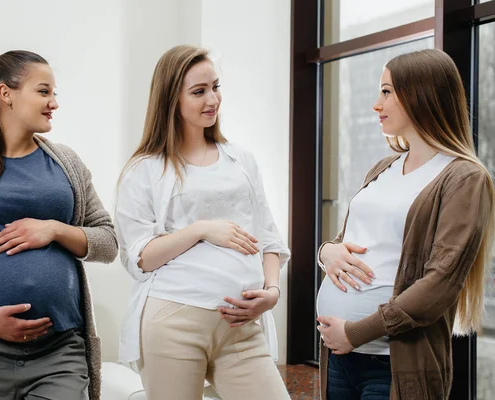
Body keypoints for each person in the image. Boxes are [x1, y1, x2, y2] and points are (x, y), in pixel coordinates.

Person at [0, 50, 118, 400]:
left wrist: (54, 229)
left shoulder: (65, 163)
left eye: (55, 94)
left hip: (59, 351)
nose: (54, 103)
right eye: (44, 92)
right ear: (6, 94)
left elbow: (108, 241)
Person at [114, 45, 291, 400]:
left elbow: (269, 239)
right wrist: (201, 230)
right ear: (171, 100)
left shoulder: (241, 160)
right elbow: (140, 257)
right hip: (174, 321)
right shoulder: (145, 170)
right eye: (199, 91)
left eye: (216, 86)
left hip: (240, 326)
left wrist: (271, 293)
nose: (212, 99)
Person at [316, 48, 494, 400]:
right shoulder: (383, 168)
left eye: (386, 92)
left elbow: (440, 282)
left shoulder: (463, 178)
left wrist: (357, 331)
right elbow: (346, 241)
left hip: (393, 362)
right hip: (340, 356)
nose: (376, 105)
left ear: (420, 94)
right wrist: (326, 253)